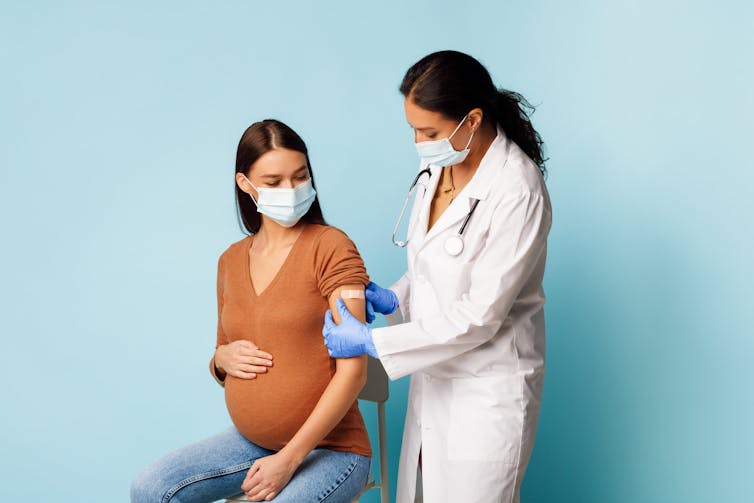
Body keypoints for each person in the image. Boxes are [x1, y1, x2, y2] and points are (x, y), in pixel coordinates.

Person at [323, 50, 552, 502]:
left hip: (487, 391)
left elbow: (481, 314)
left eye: (429, 131)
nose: (420, 143)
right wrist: (395, 298)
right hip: (435, 382)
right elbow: (432, 270)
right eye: (413, 130)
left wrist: (373, 343)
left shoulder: (517, 190)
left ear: (472, 119)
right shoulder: (436, 169)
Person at [132, 119, 372, 503]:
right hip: (252, 445)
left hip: (332, 450)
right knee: (150, 488)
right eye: (274, 182)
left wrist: (289, 460)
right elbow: (223, 352)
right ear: (245, 184)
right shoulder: (230, 261)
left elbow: (354, 372)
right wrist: (220, 359)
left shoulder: (332, 247)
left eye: (299, 177)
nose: (291, 191)